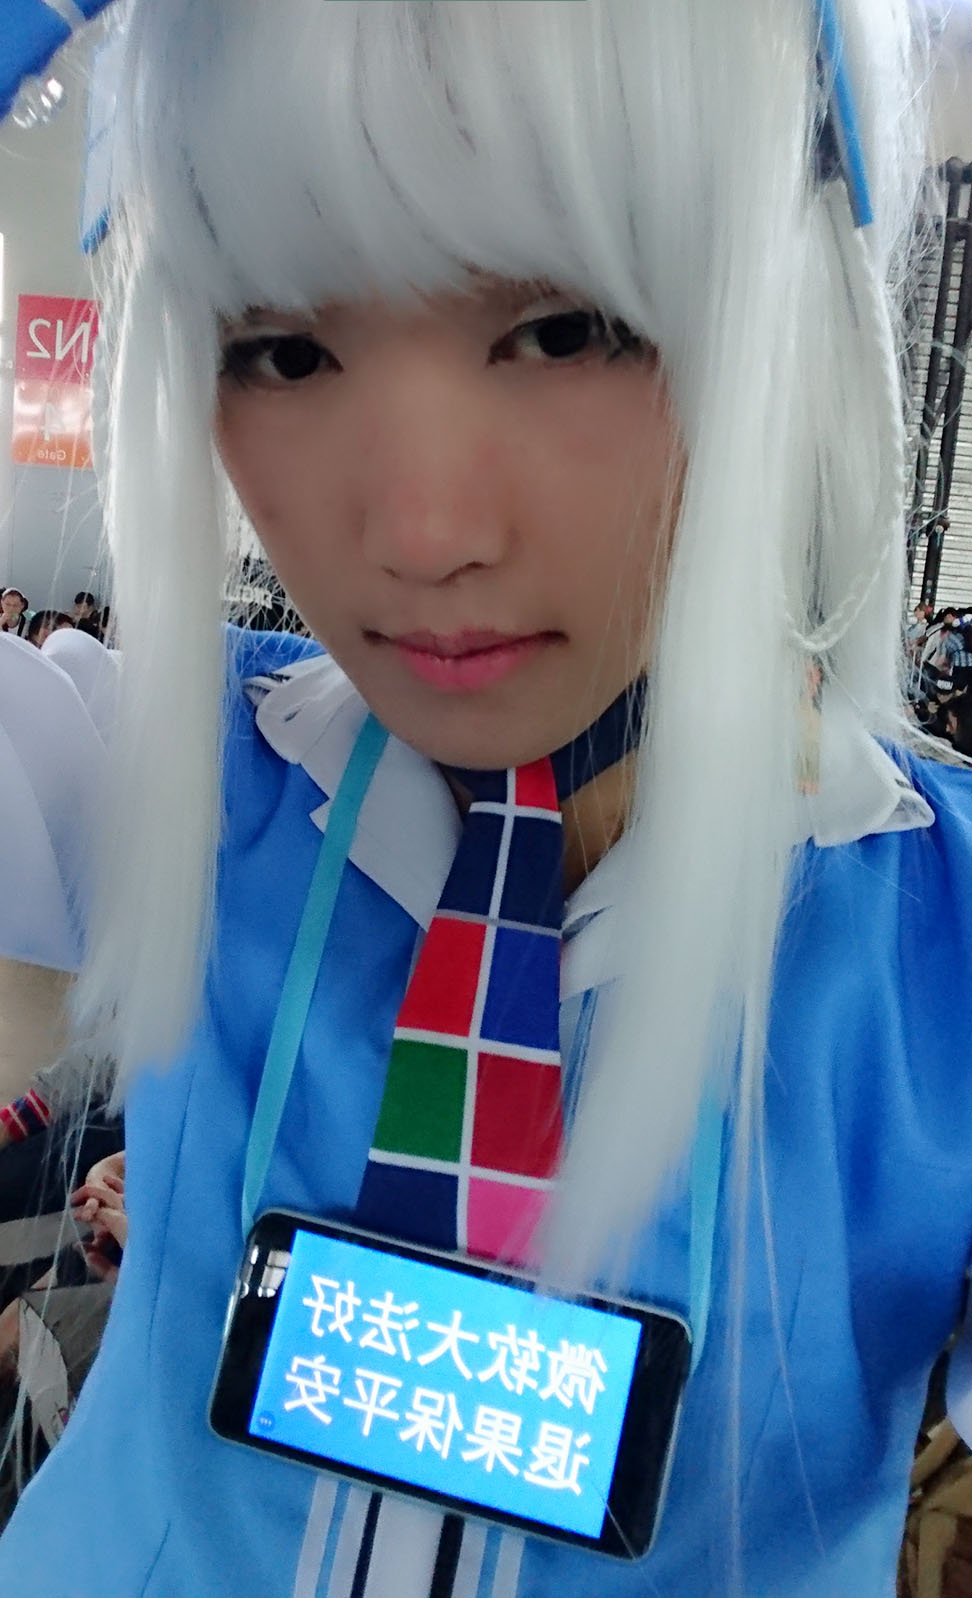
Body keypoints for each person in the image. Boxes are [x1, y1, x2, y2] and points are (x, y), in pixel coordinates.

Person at [0, 3, 970, 1596]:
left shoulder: (936, 956)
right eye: (281, 348)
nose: (423, 529)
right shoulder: (174, 767)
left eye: (569, 328)